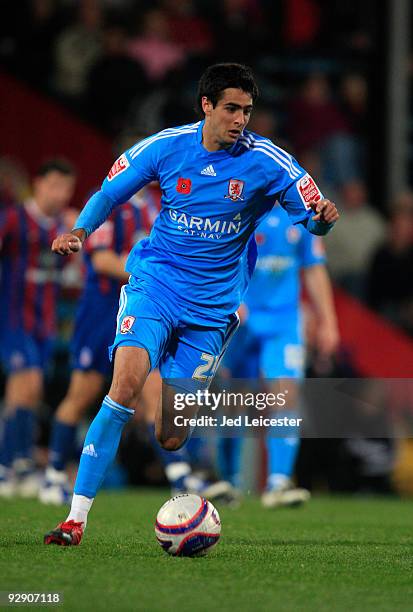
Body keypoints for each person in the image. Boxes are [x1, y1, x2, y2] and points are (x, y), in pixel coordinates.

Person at [44, 63, 339, 546]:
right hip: (156, 285)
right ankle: (74, 521)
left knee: (171, 435)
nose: (240, 119)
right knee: (125, 385)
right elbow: (109, 192)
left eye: (247, 110)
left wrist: (323, 221)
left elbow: (312, 219)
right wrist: (79, 232)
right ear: (206, 105)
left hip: (212, 309)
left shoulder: (268, 161)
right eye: (230, 109)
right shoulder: (166, 147)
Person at [39, 188, 157, 505]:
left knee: (152, 394)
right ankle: (52, 475)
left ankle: (182, 475)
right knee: (83, 393)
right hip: (101, 311)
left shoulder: (153, 208)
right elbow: (103, 260)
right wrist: (158, 275)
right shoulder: (111, 204)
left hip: (143, 308)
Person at [218, 203, 339, 506]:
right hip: (241, 317)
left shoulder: (302, 214)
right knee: (235, 401)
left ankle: (278, 482)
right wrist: (227, 300)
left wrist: (328, 322)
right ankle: (229, 482)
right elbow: (217, 260)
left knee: (286, 395)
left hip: (284, 321)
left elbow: (313, 267)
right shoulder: (237, 205)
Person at [0, 159, 76, 498]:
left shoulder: (64, 227)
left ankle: (18, 465)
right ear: (39, 184)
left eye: (66, 187)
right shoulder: (15, 218)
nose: (60, 194)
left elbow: (74, 273)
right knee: (25, 384)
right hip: (14, 318)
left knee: (32, 392)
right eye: (54, 185)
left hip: (45, 324)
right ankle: (8, 466)